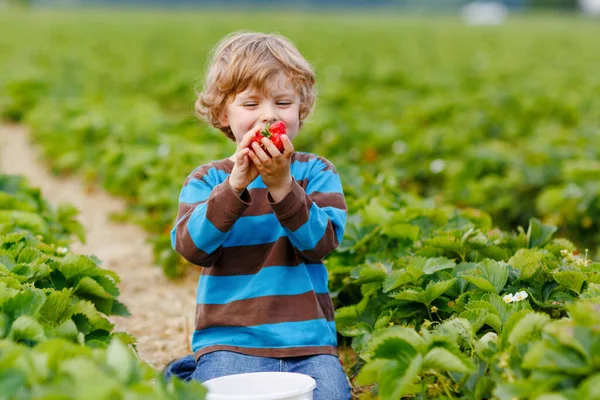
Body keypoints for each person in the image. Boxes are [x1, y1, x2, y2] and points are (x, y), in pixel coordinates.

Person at [164, 31, 351, 400]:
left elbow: (320, 244)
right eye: (251, 105)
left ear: (302, 109)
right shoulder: (208, 180)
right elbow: (191, 248)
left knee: (332, 396)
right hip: (229, 343)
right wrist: (234, 188)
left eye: (283, 102)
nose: (268, 116)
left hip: (308, 346)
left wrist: (283, 186)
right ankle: (193, 372)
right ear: (223, 114)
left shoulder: (316, 173)